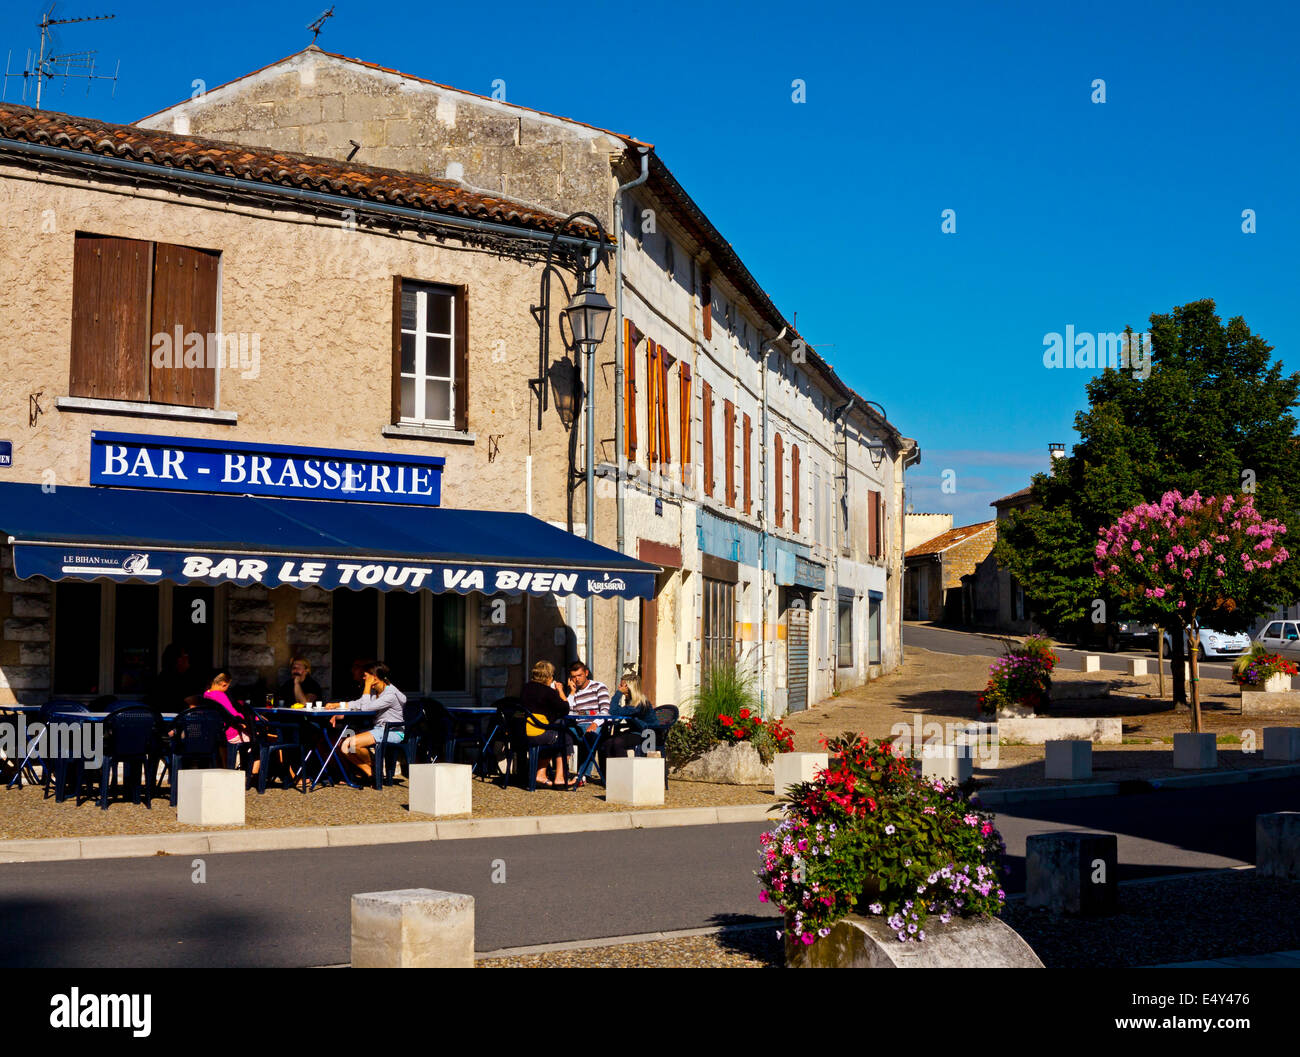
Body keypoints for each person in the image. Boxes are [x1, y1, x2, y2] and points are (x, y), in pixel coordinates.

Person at [328, 662, 406, 782]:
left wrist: (367, 686)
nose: (363, 678)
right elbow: (359, 703)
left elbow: (365, 708)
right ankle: (372, 772)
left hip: (392, 731)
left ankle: (374, 770)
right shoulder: (376, 691)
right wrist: (336, 705)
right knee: (344, 745)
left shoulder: (390, 694)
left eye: (365, 676)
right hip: (378, 729)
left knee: (352, 743)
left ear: (374, 677)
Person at [521, 660, 578, 788]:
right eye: (552, 675)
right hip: (539, 734)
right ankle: (560, 778)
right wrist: (561, 691)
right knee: (565, 737)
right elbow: (564, 708)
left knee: (555, 734)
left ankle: (540, 774)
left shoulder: (526, 688)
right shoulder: (548, 692)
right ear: (548, 677)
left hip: (524, 733)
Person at [598, 670, 658, 781]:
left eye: (622, 685)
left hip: (648, 734)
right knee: (606, 742)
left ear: (630, 687)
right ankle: (609, 779)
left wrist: (618, 693)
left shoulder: (640, 703)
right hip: (635, 731)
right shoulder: (631, 701)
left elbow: (614, 711)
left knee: (617, 742)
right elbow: (620, 713)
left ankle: (625, 778)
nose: (620, 687)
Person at [150, 643, 204, 712]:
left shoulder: (167, 676)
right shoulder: (170, 679)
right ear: (178, 660)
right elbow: (190, 702)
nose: (188, 658)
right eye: (185, 655)